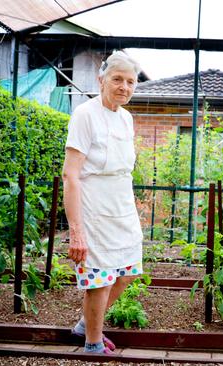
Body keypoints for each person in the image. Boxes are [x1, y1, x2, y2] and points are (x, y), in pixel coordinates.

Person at [62, 51, 144, 355]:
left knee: (129, 269)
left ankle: (86, 324)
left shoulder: (127, 118)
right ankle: (93, 344)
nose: (124, 86)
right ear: (102, 80)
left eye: (130, 82)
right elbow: (71, 175)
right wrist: (76, 231)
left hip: (121, 205)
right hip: (94, 206)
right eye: (117, 79)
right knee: (101, 278)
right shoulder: (85, 114)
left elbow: (123, 167)